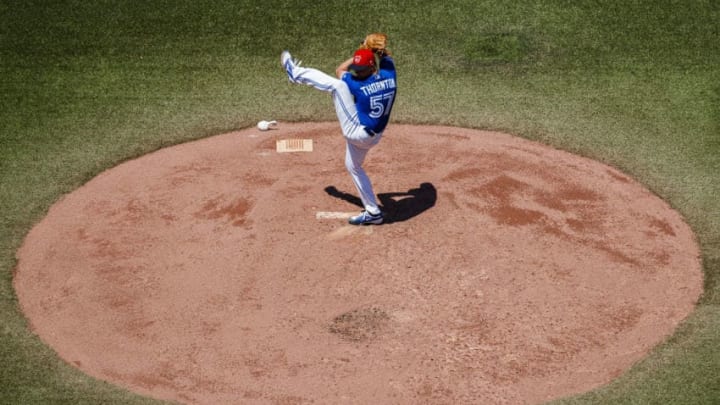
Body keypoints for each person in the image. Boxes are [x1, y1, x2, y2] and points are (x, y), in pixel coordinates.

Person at [281, 33, 397, 225]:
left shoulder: (357, 84)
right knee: (353, 166)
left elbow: (339, 69)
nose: (356, 72)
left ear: (370, 67)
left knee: (337, 86)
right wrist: (376, 52)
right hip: (374, 135)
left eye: (359, 69)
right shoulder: (390, 75)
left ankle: (295, 73)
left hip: (357, 132)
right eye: (356, 69)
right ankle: (373, 212)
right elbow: (386, 58)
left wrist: (363, 51)